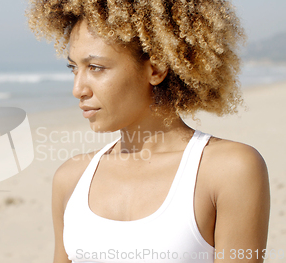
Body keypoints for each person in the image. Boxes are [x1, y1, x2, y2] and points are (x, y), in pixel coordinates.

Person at [25, 1, 270, 262]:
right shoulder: (70, 179)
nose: (78, 89)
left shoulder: (228, 169)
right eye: (74, 68)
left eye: (95, 68)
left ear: (156, 69)